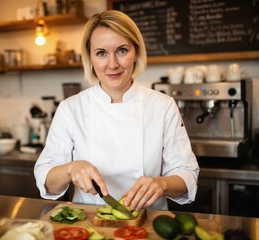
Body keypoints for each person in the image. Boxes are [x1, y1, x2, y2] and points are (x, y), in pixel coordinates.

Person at [34, 10, 199, 210]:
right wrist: (71, 169)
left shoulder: (163, 106)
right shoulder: (71, 109)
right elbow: (46, 180)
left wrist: (161, 184)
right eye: (101, 53)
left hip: (147, 224)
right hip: (89, 223)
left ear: (136, 53)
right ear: (91, 58)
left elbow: (187, 174)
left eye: (122, 50)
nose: (112, 64)